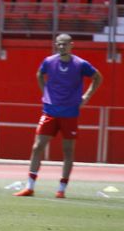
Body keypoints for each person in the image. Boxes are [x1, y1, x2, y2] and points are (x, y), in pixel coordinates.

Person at [16, 32, 103, 198]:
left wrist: (86, 96)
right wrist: (45, 93)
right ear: (56, 45)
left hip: (70, 113)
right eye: (59, 44)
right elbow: (39, 74)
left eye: (65, 44)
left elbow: (97, 78)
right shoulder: (49, 61)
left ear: (72, 45)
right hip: (50, 111)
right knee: (37, 147)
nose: (62, 47)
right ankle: (30, 186)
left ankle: (61, 189)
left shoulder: (80, 64)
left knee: (68, 150)